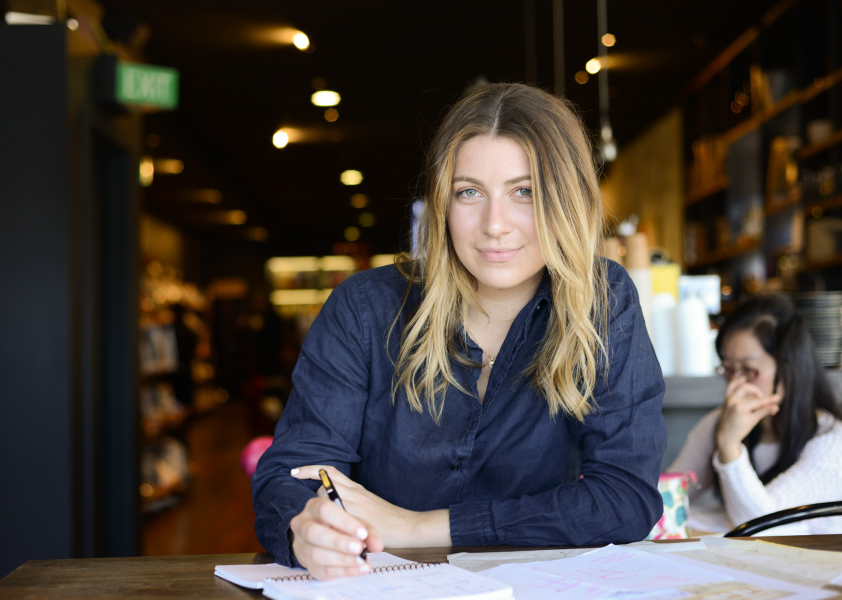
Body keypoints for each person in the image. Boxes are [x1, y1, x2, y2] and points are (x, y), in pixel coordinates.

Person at [252, 82, 667, 580]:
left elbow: (625, 499)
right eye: (468, 192)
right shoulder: (364, 308)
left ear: (566, 200)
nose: (495, 224)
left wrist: (419, 527)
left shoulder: (604, 300)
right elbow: (292, 473)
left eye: (524, 192)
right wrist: (305, 527)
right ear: (441, 205)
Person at [669, 294, 842, 533]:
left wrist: (729, 445)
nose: (735, 385)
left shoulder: (834, 443)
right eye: (728, 369)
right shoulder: (718, 423)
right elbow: (672, 493)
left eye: (749, 371)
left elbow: (763, 526)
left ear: (789, 368)